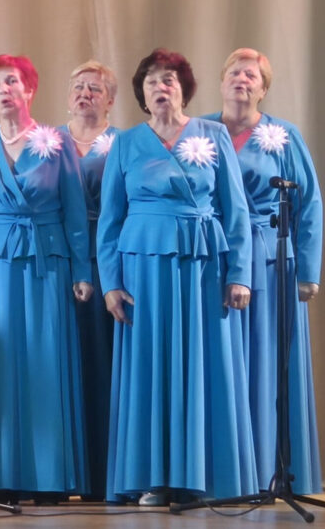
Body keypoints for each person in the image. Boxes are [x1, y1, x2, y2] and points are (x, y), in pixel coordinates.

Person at [97, 48, 257, 506]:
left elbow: (236, 210)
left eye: (168, 79)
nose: (160, 87)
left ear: (183, 88)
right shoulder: (126, 142)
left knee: (204, 366)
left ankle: (203, 478)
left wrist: (240, 274)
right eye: (151, 81)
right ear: (142, 94)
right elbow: (109, 218)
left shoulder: (213, 134)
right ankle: (153, 477)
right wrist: (110, 282)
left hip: (202, 267)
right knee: (149, 369)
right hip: (142, 272)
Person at [0, 55, 93, 503]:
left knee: (43, 362)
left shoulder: (57, 143)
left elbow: (75, 212)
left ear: (30, 89)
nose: (4, 90)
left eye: (12, 81)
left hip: (46, 262)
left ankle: (48, 478)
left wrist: (82, 269)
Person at [202, 48, 324, 495]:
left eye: (251, 75)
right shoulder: (200, 131)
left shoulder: (283, 135)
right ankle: (223, 470)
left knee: (270, 361)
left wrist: (308, 270)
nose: (242, 79)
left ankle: (271, 469)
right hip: (217, 260)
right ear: (221, 82)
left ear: (264, 88)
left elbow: (309, 203)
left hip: (272, 261)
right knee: (222, 362)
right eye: (234, 72)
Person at [58, 59, 120, 500]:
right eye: (79, 87)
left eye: (95, 88)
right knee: (59, 362)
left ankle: (101, 475)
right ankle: (60, 474)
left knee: (100, 361)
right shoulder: (45, 141)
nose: (85, 94)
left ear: (110, 100)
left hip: (104, 257)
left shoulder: (123, 144)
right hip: (55, 258)